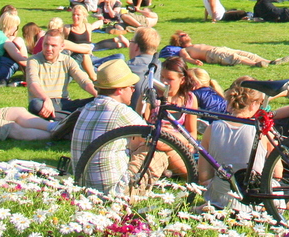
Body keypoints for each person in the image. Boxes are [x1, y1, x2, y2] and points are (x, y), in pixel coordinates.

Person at [70, 58, 169, 196]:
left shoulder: (87, 108)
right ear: (119, 90)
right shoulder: (120, 111)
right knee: (158, 155)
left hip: (83, 188)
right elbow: (158, 140)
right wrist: (184, 143)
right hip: (113, 194)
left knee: (138, 146)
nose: (134, 90)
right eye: (131, 86)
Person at [199, 81, 273, 209]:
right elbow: (277, 173)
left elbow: (204, 175)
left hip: (221, 199)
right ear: (254, 104)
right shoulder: (264, 131)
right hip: (257, 201)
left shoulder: (211, 129)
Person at [26, 28, 97, 119]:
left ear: (62, 47)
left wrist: (96, 94)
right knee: (35, 105)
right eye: (46, 44)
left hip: (63, 103)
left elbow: (83, 80)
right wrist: (46, 99)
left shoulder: (67, 60)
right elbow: (33, 84)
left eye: (53, 46)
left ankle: (63, 118)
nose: (48, 49)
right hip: (43, 101)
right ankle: (74, 118)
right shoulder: (33, 60)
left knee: (96, 101)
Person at [164, 31, 289, 68]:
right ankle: (256, 64)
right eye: (182, 35)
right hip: (212, 54)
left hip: (218, 49)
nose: (186, 35)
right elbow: (186, 58)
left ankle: (270, 61)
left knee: (246, 53)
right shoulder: (184, 49)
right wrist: (193, 62)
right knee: (235, 58)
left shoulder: (193, 44)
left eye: (186, 33)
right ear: (178, 41)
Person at [157, 56, 200, 139]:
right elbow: (140, 126)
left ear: (182, 80)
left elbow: (191, 132)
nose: (164, 82)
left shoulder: (189, 99)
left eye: (170, 79)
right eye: (162, 77)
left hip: (176, 144)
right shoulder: (152, 95)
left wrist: (173, 136)